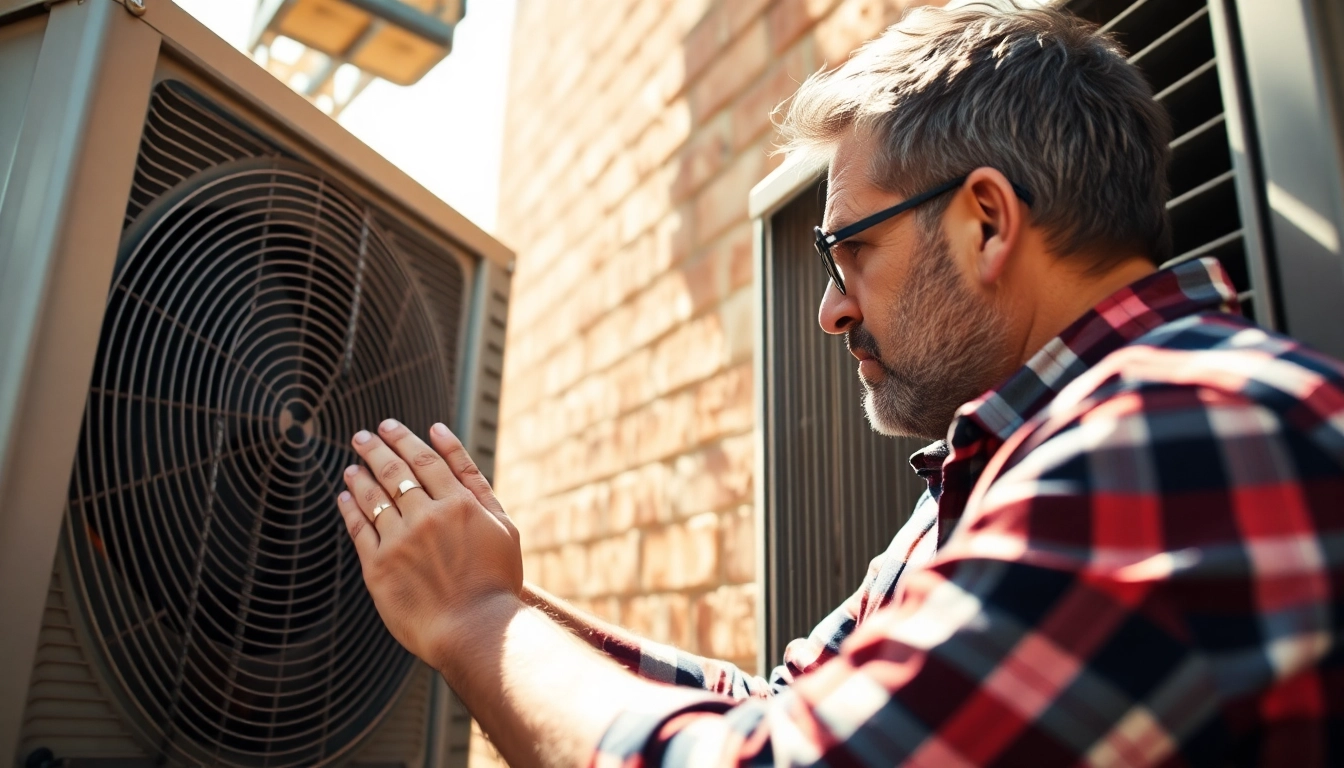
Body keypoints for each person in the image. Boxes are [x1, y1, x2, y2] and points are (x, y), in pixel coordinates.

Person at [333, 3, 1344, 766]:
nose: (830, 309)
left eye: (846, 250)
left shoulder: (1179, 431)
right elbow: (777, 703)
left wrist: (474, 625)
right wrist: (492, 591)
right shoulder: (998, 468)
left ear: (985, 222)